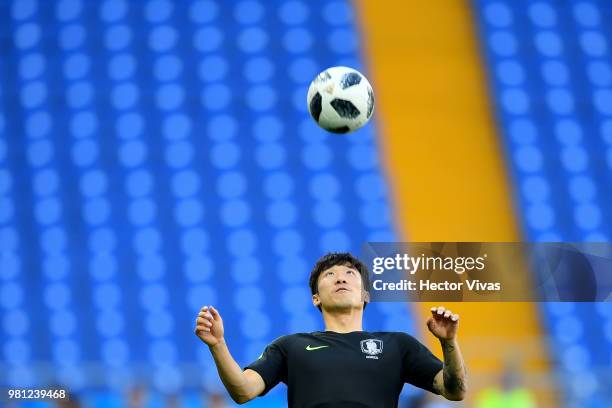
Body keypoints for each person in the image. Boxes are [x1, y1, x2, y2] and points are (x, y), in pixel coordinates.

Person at [195, 252, 467, 407]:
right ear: (316, 298)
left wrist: (449, 343)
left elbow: (455, 390)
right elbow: (243, 391)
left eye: (350, 273)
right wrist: (218, 344)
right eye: (330, 275)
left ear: (365, 295)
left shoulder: (398, 345)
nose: (340, 277)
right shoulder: (291, 346)